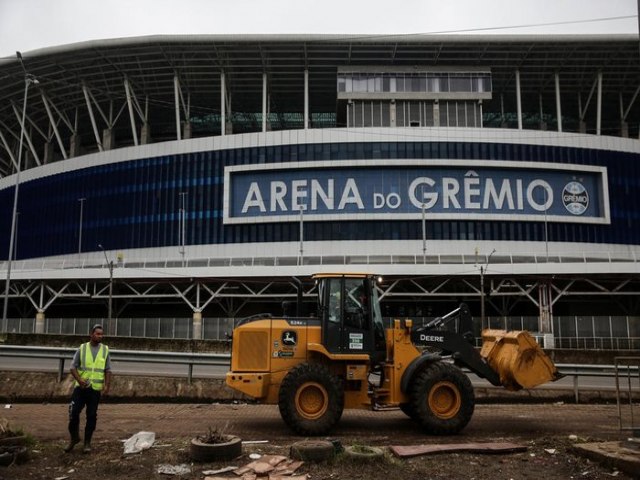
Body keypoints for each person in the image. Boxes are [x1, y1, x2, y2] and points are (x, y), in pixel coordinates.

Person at [65, 324, 112, 454]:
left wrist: (107, 386)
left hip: (95, 390)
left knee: (91, 416)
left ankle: (87, 443)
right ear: (91, 334)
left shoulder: (105, 350)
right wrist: (79, 380)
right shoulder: (83, 348)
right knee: (73, 413)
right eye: (97, 334)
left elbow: (108, 370)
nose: (100, 336)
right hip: (80, 389)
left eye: (101, 334)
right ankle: (74, 438)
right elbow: (73, 367)